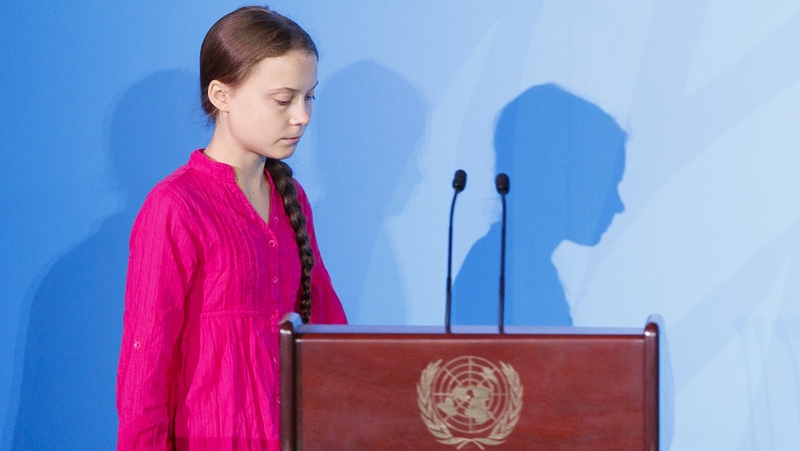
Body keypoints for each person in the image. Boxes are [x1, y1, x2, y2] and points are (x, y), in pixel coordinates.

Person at [116, 6, 347, 450]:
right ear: (221, 95)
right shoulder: (175, 206)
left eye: (309, 97)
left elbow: (329, 332)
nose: (302, 116)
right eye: (283, 100)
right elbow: (145, 364)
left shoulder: (291, 199)